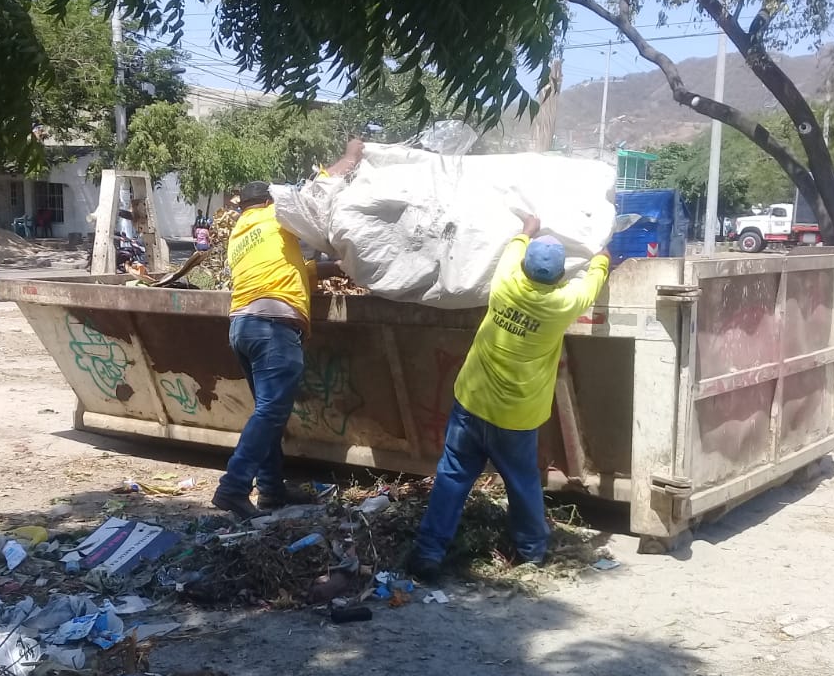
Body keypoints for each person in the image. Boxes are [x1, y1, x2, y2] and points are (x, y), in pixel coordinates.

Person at [409, 214, 611, 580]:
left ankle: (428, 552)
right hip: (515, 418)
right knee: (522, 485)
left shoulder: (504, 283)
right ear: (559, 275)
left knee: (451, 479)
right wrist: (601, 254)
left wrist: (529, 228)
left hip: (470, 404)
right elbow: (595, 277)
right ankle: (532, 553)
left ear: (525, 267)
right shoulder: (563, 304)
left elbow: (515, 246)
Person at [210, 140, 364, 519]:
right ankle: (232, 488)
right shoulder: (276, 216)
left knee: (269, 412)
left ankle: (272, 492)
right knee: (270, 414)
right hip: (273, 327)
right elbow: (316, 191)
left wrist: (337, 268)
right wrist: (350, 158)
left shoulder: (241, 234)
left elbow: (291, 269)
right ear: (269, 202)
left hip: (242, 326)